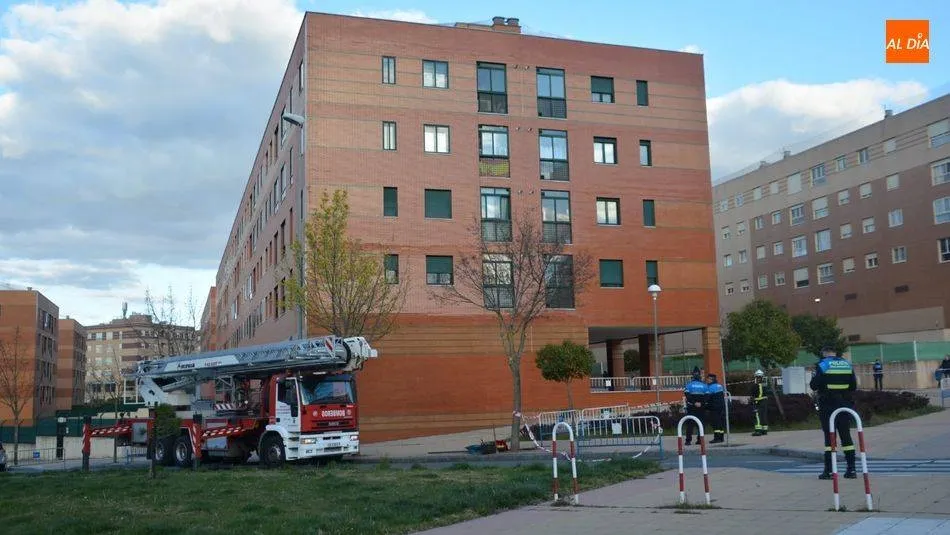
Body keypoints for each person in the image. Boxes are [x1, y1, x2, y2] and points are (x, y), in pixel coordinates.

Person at [811, 346, 858, 480]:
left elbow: (814, 385)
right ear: (836, 353)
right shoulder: (847, 364)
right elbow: (853, 386)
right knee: (846, 437)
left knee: (830, 437)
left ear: (824, 353)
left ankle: (830, 471)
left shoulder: (823, 365)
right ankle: (851, 469)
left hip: (827, 405)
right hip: (844, 404)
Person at [682, 367, 708, 446]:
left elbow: (687, 395)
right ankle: (700, 440)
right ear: (700, 375)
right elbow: (707, 396)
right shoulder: (704, 385)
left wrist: (694, 403)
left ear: (693, 376)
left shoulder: (689, 385)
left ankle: (688, 441)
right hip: (701, 407)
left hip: (691, 407)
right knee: (701, 423)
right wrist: (701, 403)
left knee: (690, 424)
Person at [705, 373, 726, 444]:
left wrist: (704, 404)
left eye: (707, 379)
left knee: (715, 423)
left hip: (714, 407)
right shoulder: (720, 386)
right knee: (720, 422)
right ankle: (721, 438)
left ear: (711, 379)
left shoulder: (710, 387)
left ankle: (716, 438)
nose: (706, 380)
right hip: (721, 406)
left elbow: (707, 398)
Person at [751, 369, 770, 436]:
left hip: (758, 402)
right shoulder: (765, 385)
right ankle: (764, 430)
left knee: (757, 416)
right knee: (764, 415)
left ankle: (758, 431)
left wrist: (752, 401)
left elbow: (753, 395)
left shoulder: (755, 386)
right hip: (765, 402)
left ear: (756, 377)